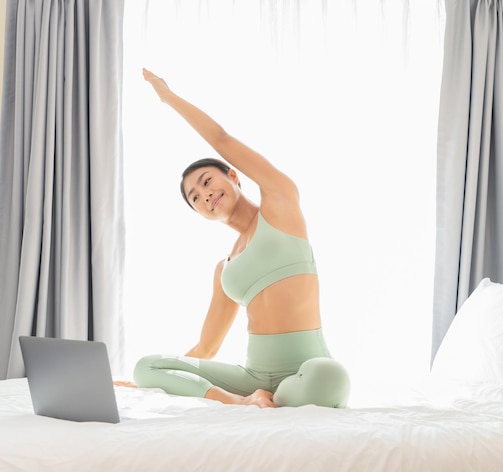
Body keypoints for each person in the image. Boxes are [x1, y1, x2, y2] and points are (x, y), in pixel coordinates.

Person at [126, 69, 350, 409]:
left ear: (233, 175)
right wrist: (158, 381)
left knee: (330, 376)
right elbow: (205, 350)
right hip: (252, 378)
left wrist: (168, 98)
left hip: (307, 369)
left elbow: (221, 139)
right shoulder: (225, 270)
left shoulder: (279, 204)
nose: (204, 196)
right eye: (195, 199)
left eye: (205, 182)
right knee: (146, 366)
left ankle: (279, 399)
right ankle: (243, 401)